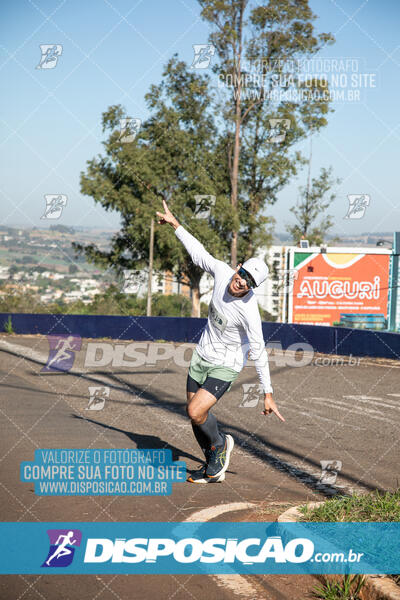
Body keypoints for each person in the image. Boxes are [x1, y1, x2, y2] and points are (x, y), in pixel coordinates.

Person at [156, 200, 285, 483]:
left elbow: (259, 351)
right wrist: (176, 225)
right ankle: (212, 462)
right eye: (242, 274)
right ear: (237, 268)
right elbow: (199, 253)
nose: (241, 282)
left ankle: (221, 445)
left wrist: (268, 392)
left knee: (195, 410)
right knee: (195, 416)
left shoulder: (249, 311)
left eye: (248, 282)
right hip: (202, 356)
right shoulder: (223, 271)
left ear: (252, 288)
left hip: (225, 364)